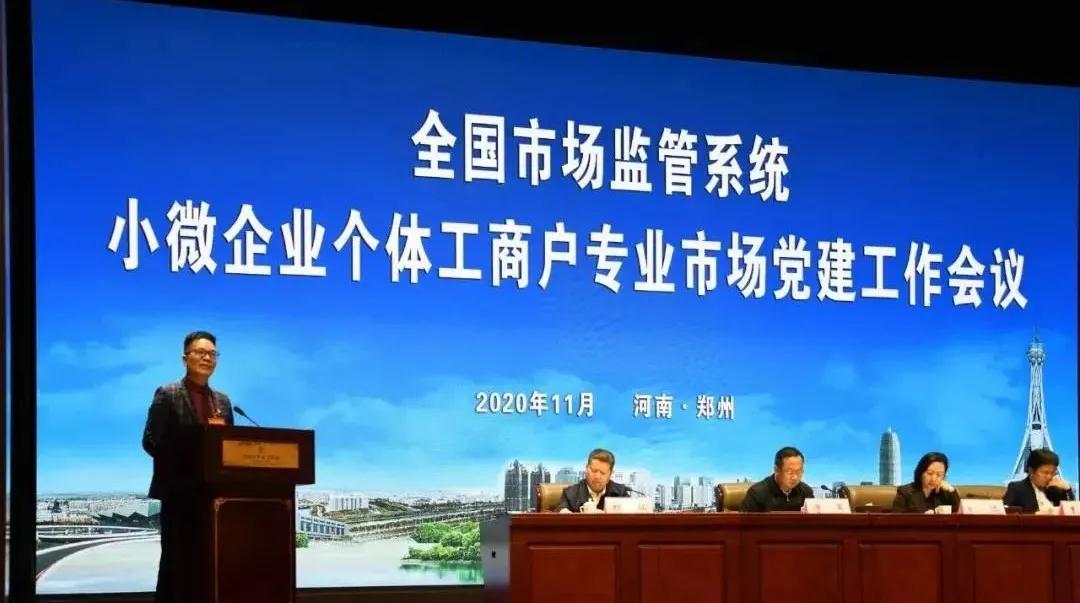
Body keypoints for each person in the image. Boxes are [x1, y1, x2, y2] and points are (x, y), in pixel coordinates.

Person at [142, 331, 235, 602]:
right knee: (177, 565)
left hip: (215, 497)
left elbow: (231, 446)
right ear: (185, 358)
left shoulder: (223, 401)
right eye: (200, 352)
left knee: (210, 564)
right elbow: (150, 441)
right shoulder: (168, 393)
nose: (207, 358)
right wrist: (185, 460)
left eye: (212, 354)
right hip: (179, 494)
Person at [740, 446, 815, 512]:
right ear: (776, 470)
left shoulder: (806, 492)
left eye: (799, 472)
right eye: (790, 472)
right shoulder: (757, 493)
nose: (795, 477)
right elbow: (745, 522)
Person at [556, 448, 629, 513]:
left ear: (610, 474)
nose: (597, 476)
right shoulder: (570, 493)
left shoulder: (621, 493)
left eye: (602, 473)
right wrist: (563, 512)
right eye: (594, 471)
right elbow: (561, 509)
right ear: (587, 468)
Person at [1003, 448, 1074, 513]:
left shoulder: (1056, 490)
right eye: (1045, 473)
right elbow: (1004, 513)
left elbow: (1071, 513)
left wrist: (1067, 489)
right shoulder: (1017, 488)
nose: (1049, 477)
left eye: (1053, 473)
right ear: (1031, 471)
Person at [891, 452, 961, 513]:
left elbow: (960, 514)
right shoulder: (905, 492)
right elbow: (897, 520)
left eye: (939, 474)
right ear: (921, 472)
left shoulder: (946, 493)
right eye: (929, 473)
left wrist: (951, 490)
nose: (933, 479)